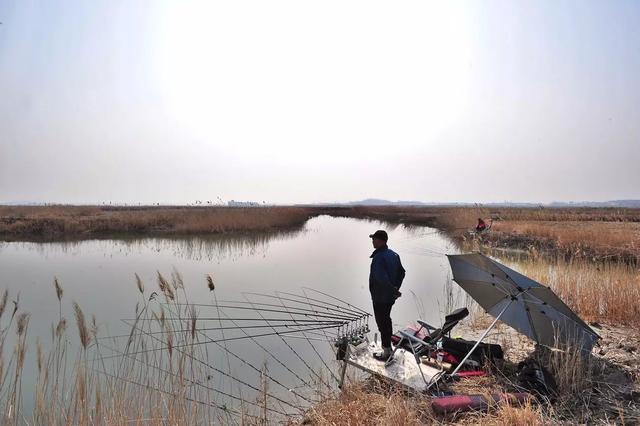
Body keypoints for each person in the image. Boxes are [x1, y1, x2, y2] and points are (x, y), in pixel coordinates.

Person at [368, 230, 405, 361]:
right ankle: (387, 348)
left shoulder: (379, 257)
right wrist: (395, 288)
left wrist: (393, 290)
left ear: (381, 241)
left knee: (382, 323)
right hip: (389, 298)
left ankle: (386, 352)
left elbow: (381, 279)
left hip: (380, 297)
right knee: (386, 320)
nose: (372, 241)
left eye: (374, 239)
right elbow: (402, 273)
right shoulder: (394, 255)